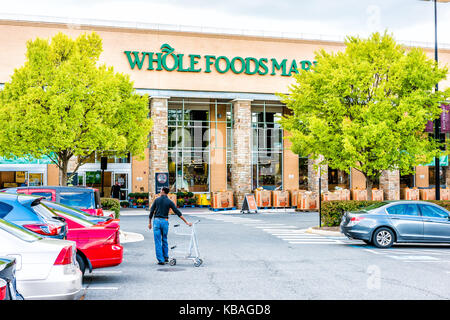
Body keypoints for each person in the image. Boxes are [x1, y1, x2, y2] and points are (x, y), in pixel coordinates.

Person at [148, 187, 192, 265]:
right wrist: (186, 222)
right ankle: (166, 257)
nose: (160, 191)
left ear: (162, 191)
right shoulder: (169, 202)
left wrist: (149, 222)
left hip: (157, 221)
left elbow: (151, 211)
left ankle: (161, 260)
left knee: (157, 241)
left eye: (161, 190)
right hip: (165, 221)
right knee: (164, 239)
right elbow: (177, 212)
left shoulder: (157, 200)